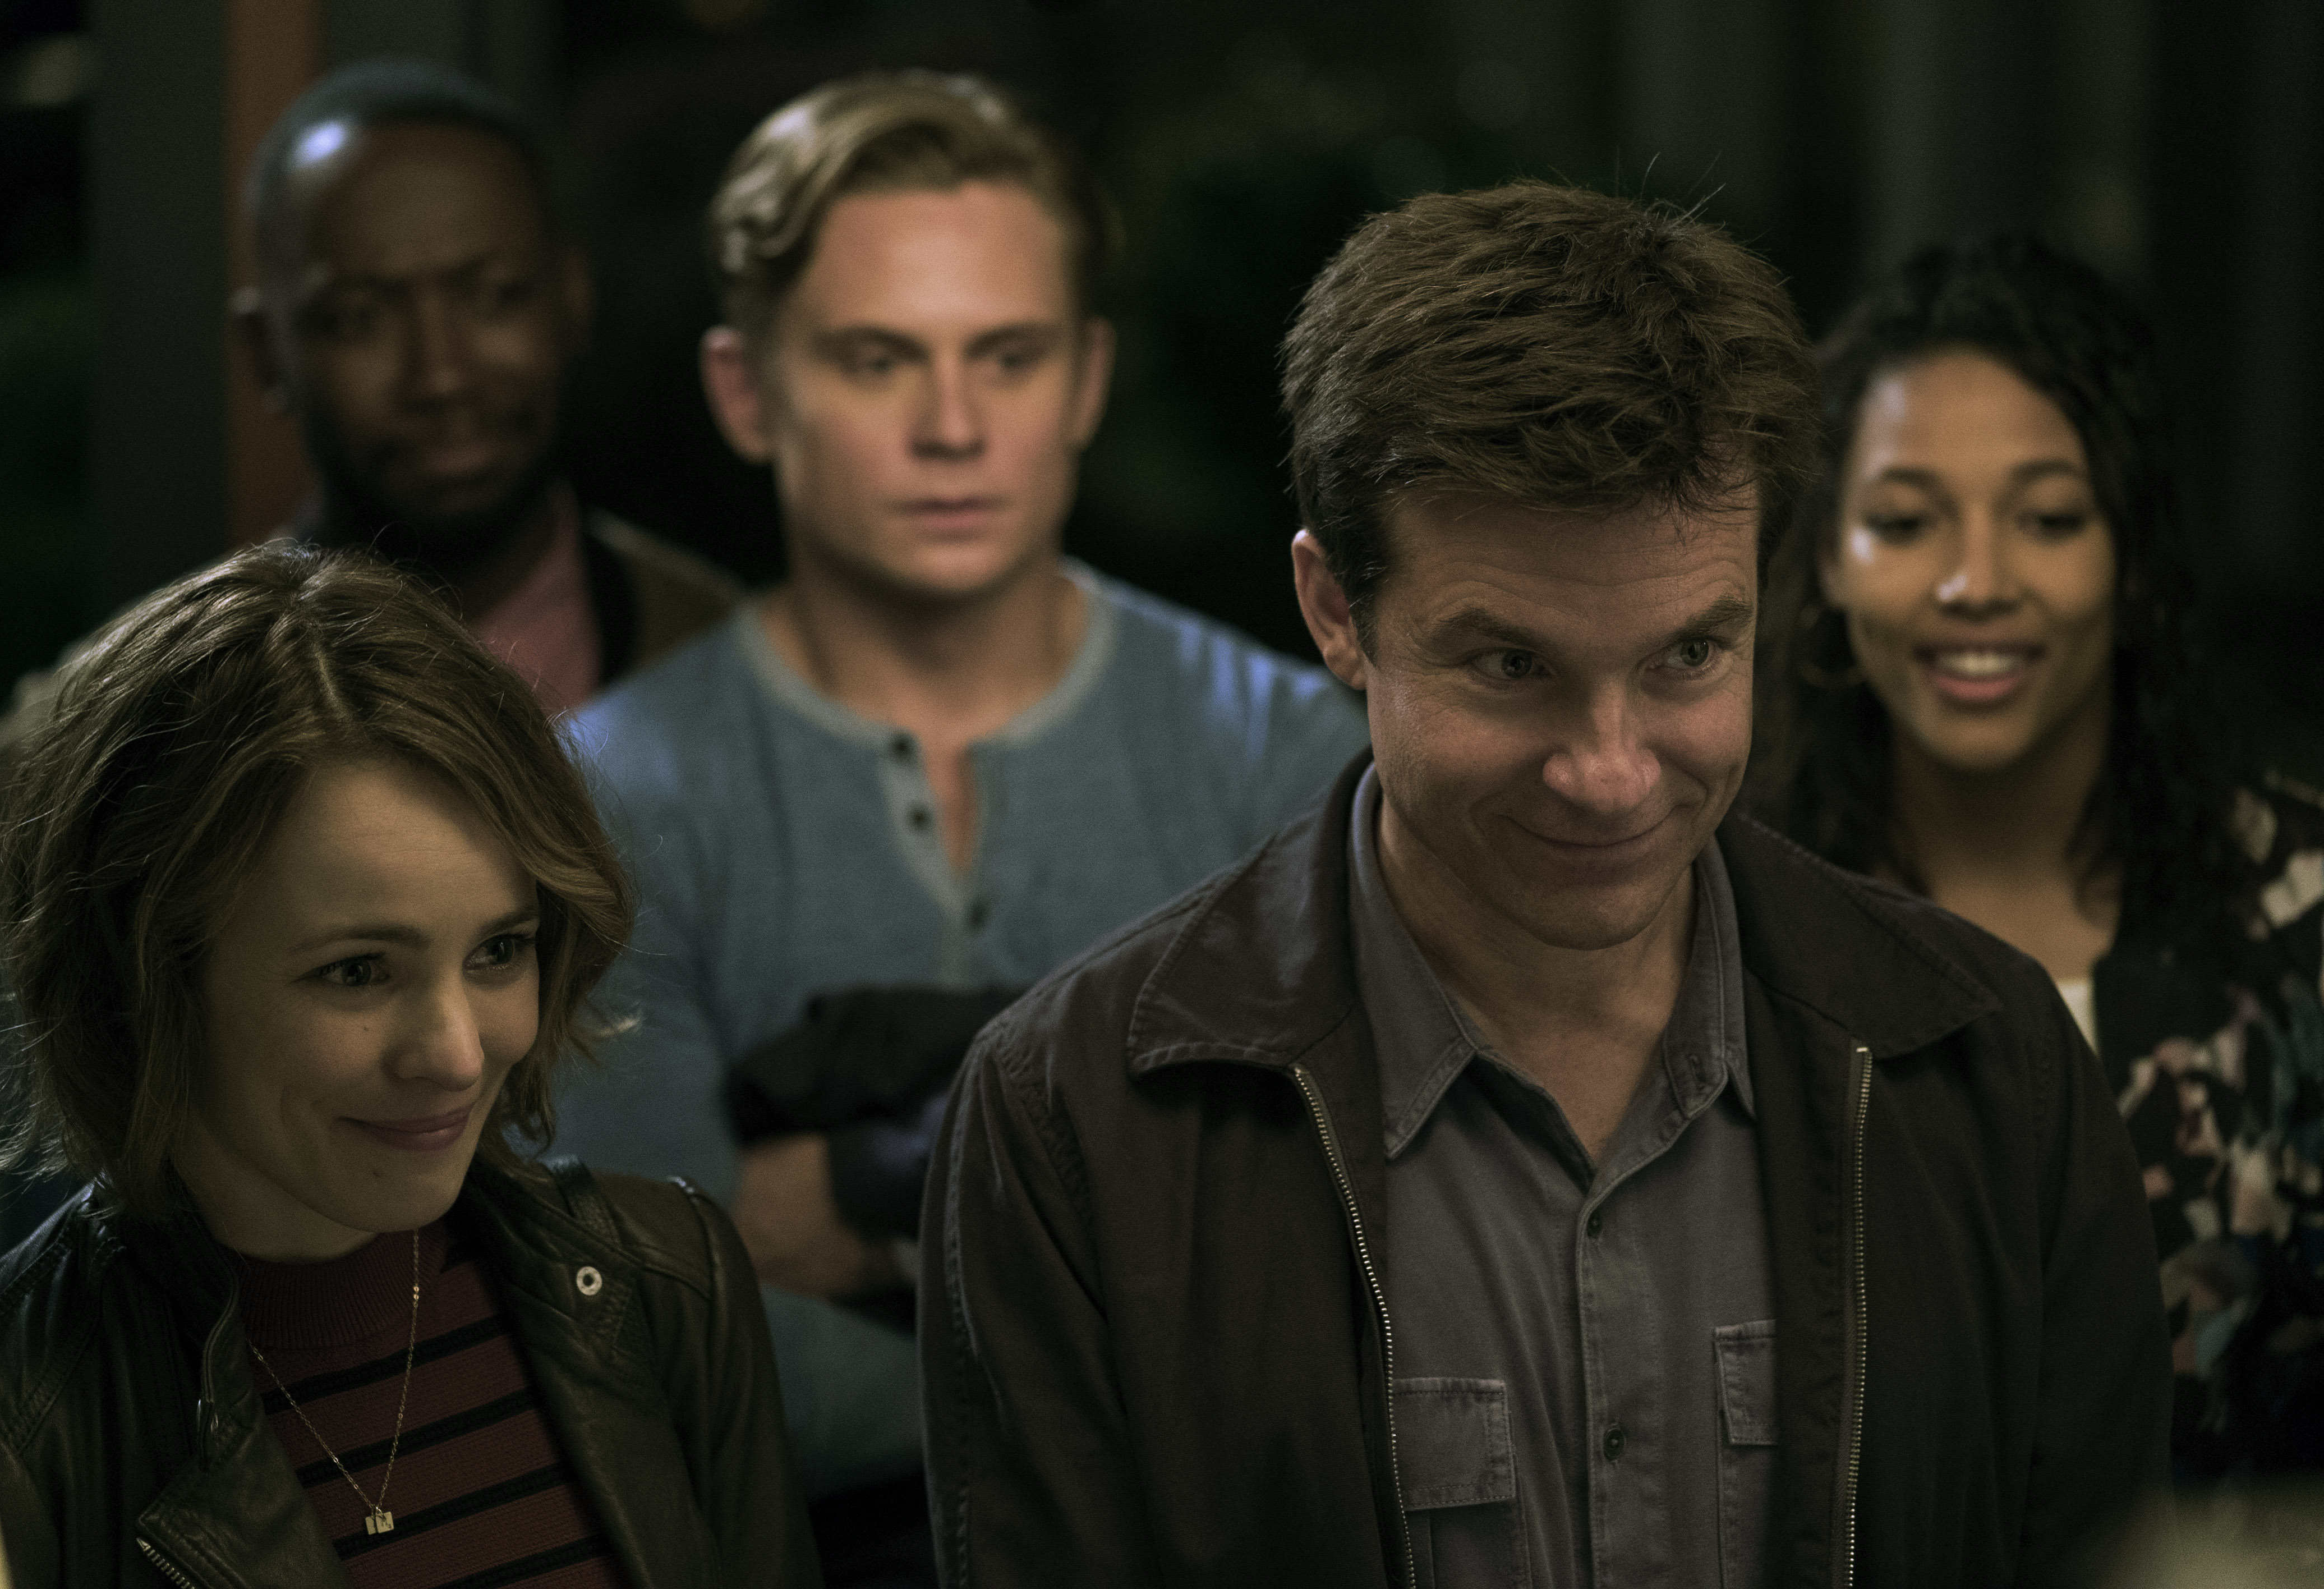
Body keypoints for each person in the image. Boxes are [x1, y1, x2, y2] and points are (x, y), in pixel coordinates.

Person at [922, 181, 2171, 1587]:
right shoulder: (1076, 1123)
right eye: (1511, 666)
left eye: (1687, 657)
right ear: (1336, 611)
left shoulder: (1994, 1073)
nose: (1610, 773)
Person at [559, 68, 1366, 1564]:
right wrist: (1124, 1276)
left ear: (1087, 379)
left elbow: (1336, 1292)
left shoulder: (1292, 762)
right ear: (747, 393)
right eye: (877, 360)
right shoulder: (602, 798)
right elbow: (655, 1356)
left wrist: (856, 1199)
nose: (952, 427)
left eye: (1007, 356)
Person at [0, 544, 816, 1587]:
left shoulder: (668, 1288)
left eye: (499, 951)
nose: (457, 1053)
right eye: (358, 972)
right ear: (142, 982)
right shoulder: (1, 1432)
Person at [1746, 235, 2324, 1495]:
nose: (1975, 583)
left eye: (2048, 518)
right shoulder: (1724, 908)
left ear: (2130, 554)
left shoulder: (2301, 910)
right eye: (1905, 522)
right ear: (1827, 560)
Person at [0, 57, 738, 868]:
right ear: (268, 352)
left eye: (494, 296)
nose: (441, 375)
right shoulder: (103, 744)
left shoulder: (727, 662)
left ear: (573, 299)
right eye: (359, 318)